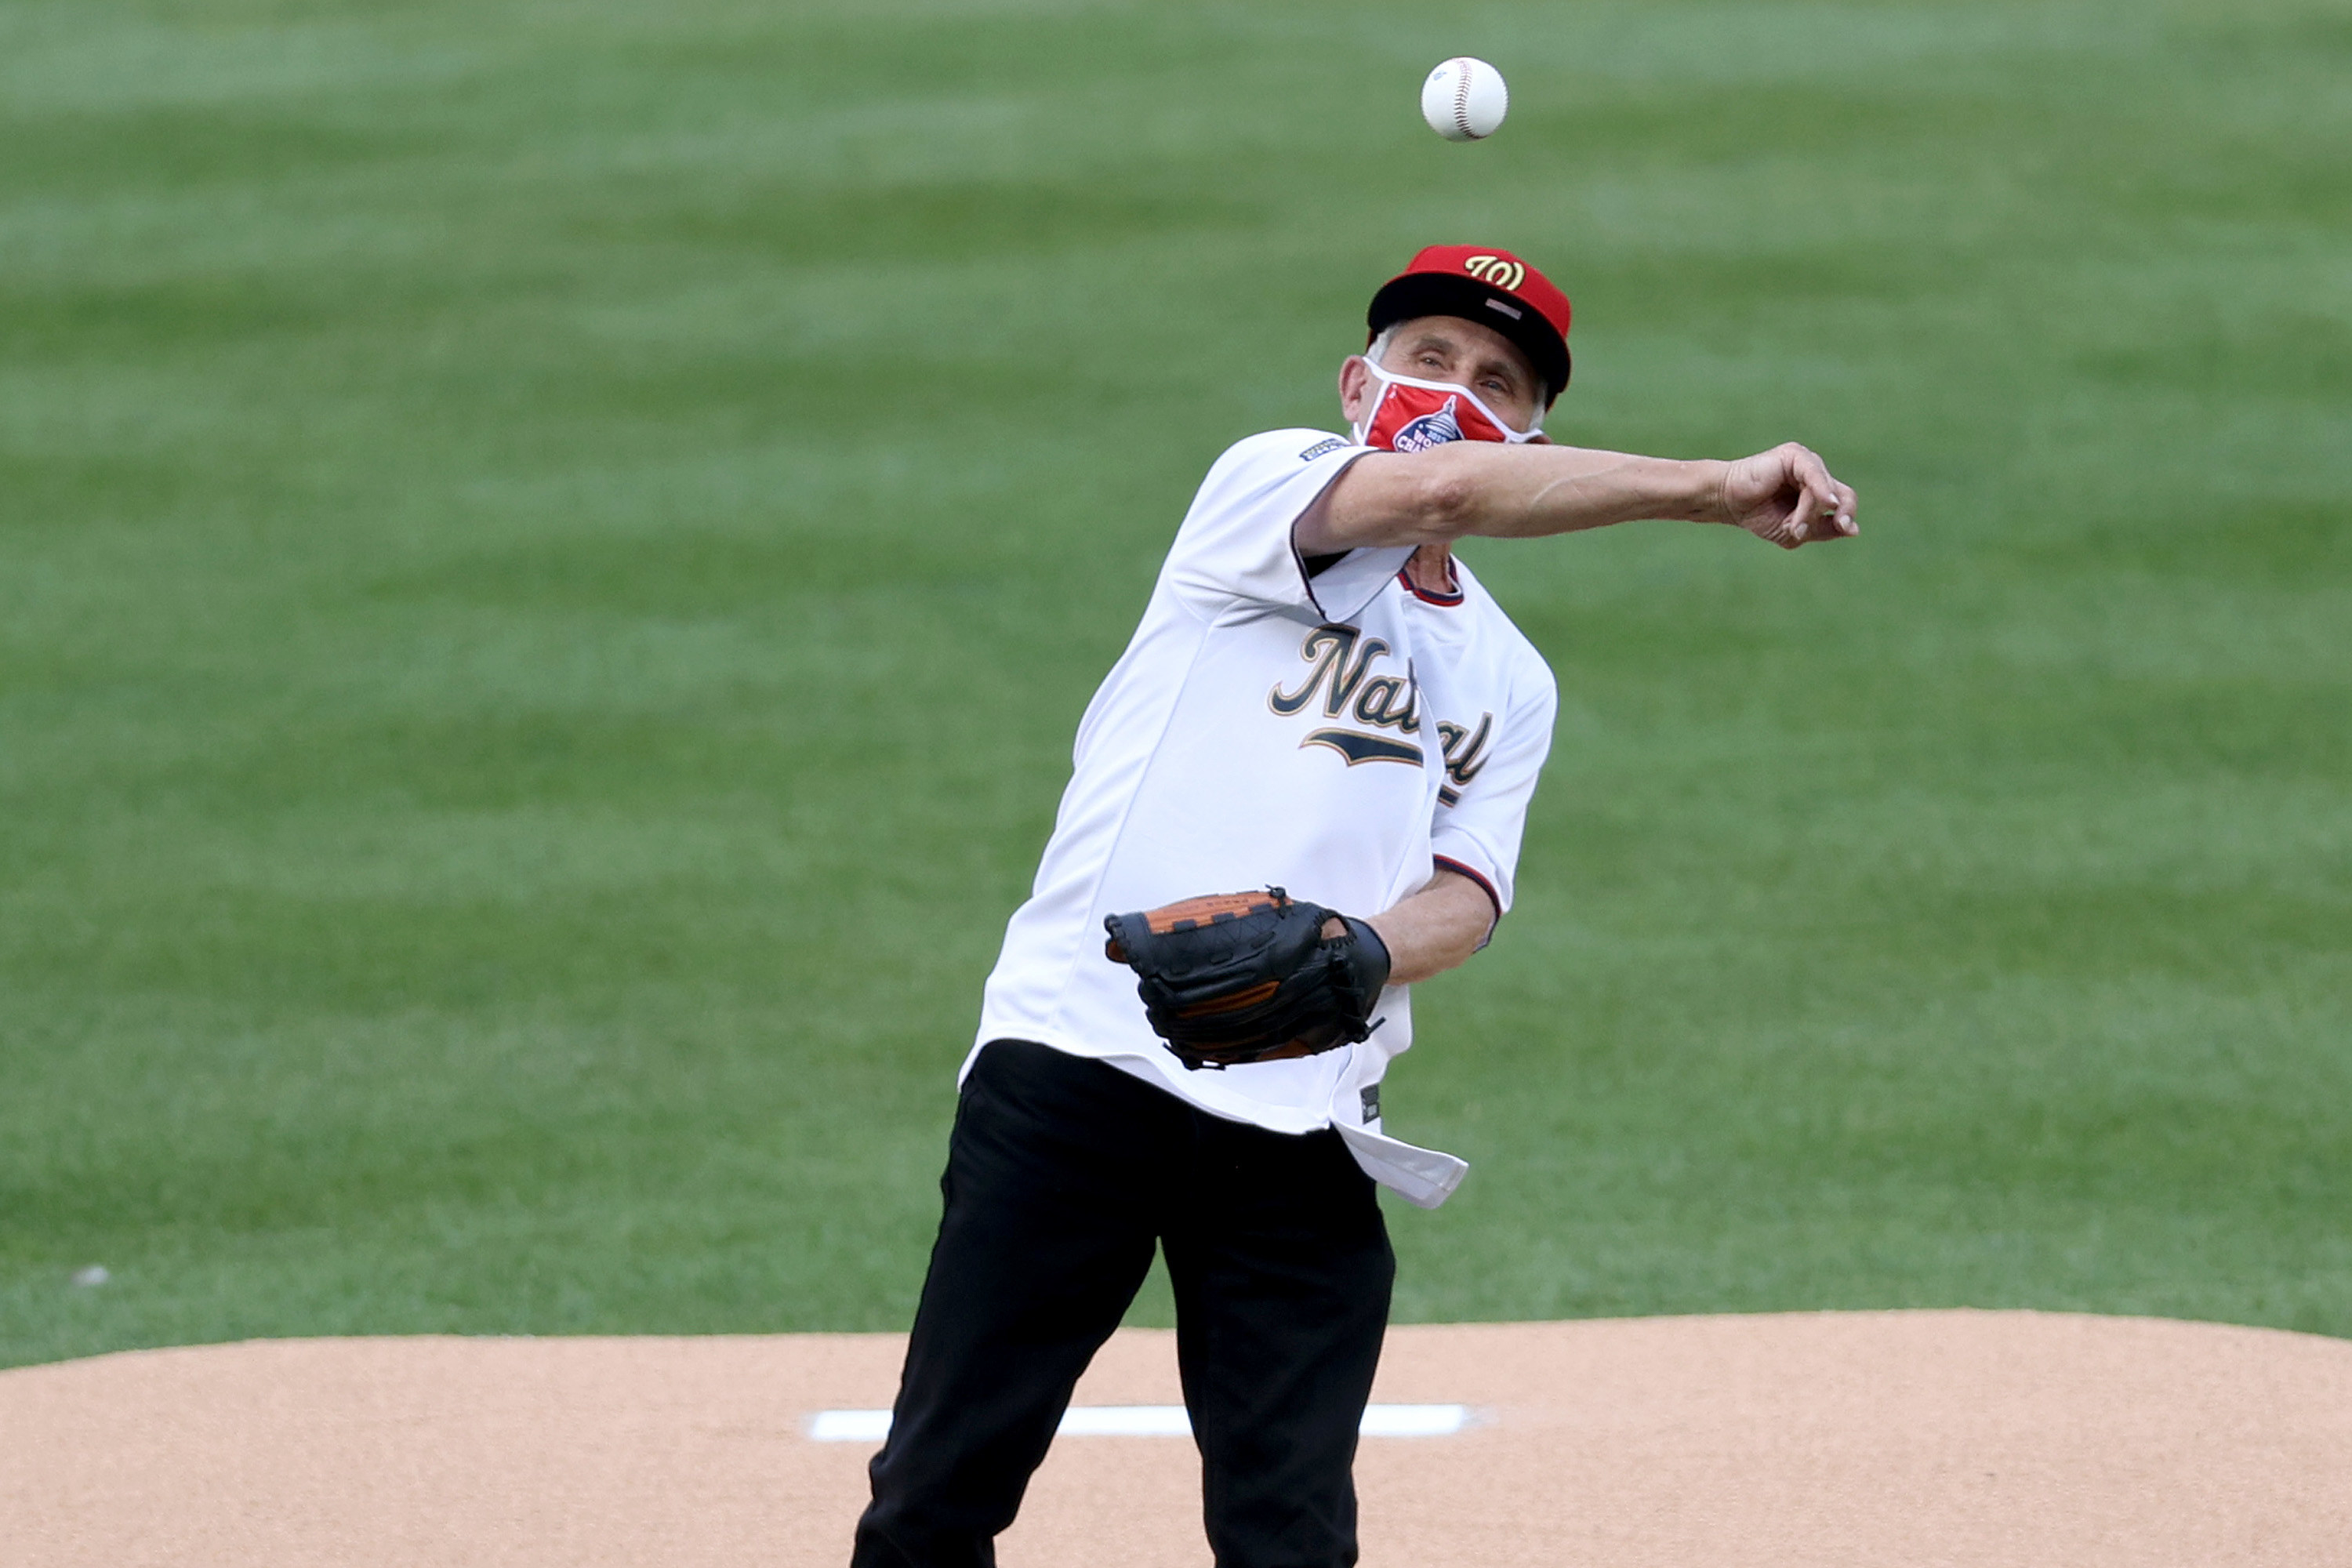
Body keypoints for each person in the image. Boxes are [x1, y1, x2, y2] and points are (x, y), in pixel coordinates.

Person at [850, 244, 1857, 1568]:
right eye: (1428, 358)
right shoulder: (1263, 486)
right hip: (1081, 1064)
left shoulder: (1509, 674)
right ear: (1356, 382)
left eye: (1498, 380)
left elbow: (1469, 896)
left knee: (1292, 1531)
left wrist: (1361, 949)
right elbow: (1437, 485)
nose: (1455, 391)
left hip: (1303, 1123)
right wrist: (1716, 489)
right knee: (942, 1486)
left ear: (1536, 433)